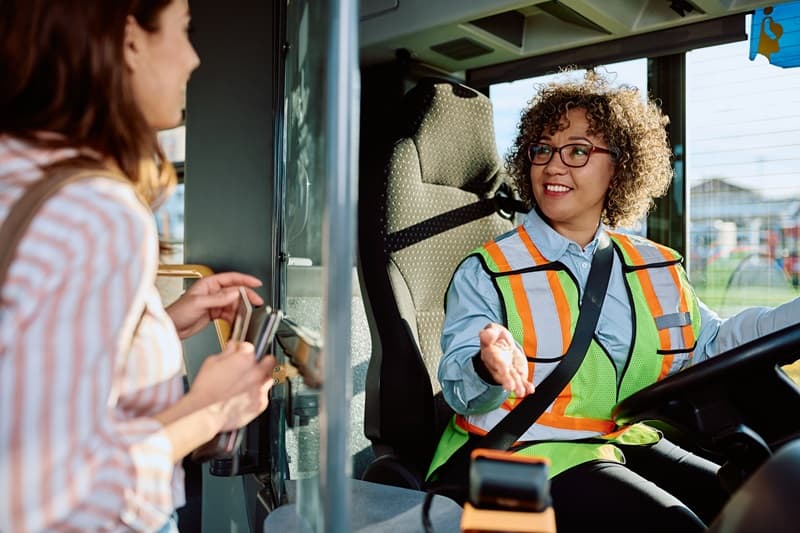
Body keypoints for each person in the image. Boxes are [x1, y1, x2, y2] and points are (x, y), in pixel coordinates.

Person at [425, 71, 800, 532]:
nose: (553, 166)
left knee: (762, 502)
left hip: (623, 443)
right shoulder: (488, 269)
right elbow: (461, 387)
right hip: (507, 457)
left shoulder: (655, 265)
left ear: (620, 167)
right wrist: (487, 364)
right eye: (542, 149)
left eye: (578, 151)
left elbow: (713, 343)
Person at [0, 1, 275, 531]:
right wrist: (210, 410)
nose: (194, 58)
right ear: (129, 39)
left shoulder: (19, 176)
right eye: (183, 29)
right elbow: (47, 494)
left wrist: (159, 325)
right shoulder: (96, 212)